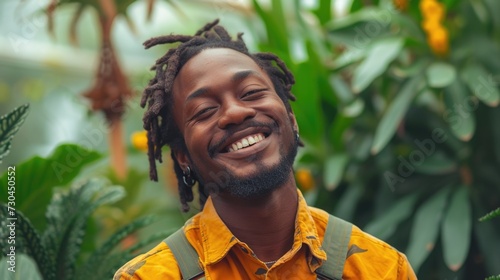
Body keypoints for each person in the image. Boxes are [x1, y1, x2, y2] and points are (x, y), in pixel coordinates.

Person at [114, 19, 417, 280]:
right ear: (183, 159)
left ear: (291, 119)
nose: (234, 113)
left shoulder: (381, 268)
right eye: (205, 111)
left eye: (251, 93)